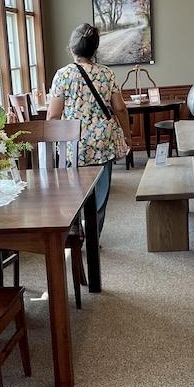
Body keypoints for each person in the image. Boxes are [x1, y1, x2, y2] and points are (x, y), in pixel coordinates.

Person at [46, 23, 131, 234]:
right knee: (100, 191)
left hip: (74, 144)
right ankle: (94, 234)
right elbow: (120, 109)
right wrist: (127, 136)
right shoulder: (107, 74)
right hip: (103, 141)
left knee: (73, 191)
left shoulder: (62, 75)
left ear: (72, 48)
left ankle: (75, 229)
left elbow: (53, 115)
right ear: (95, 49)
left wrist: (54, 146)